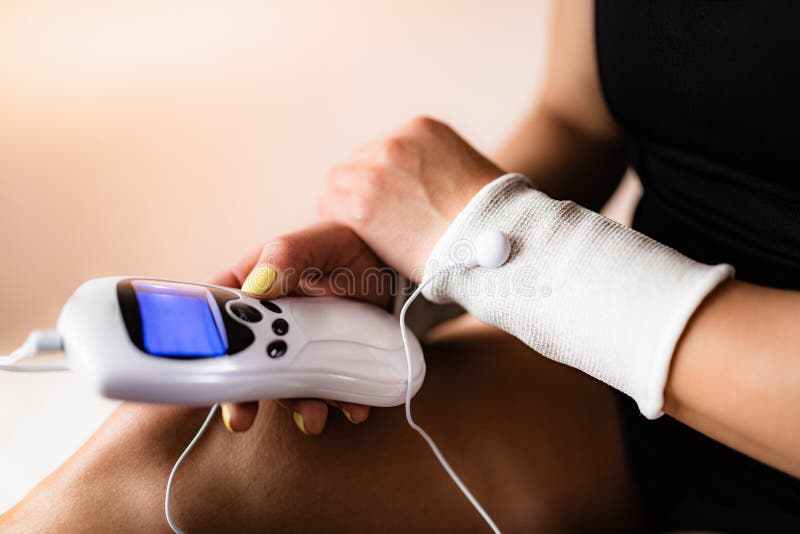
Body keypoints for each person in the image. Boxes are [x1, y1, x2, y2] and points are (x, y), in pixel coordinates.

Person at [3, 1, 798, 532]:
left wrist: (506, 240)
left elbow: (519, 237)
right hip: (638, 393)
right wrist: (408, 260)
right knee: (153, 462)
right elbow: (578, 117)